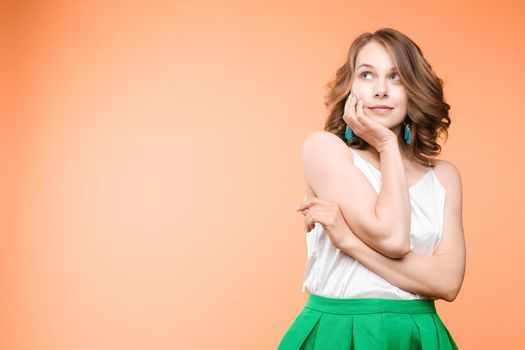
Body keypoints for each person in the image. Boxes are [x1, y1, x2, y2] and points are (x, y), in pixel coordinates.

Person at [277, 28, 465, 349]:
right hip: (338, 332)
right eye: (367, 75)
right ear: (351, 87)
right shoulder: (327, 150)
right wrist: (388, 145)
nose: (380, 90)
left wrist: (349, 242)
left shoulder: (444, 176)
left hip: (417, 335)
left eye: (396, 77)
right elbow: (392, 238)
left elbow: (448, 283)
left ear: (414, 89)